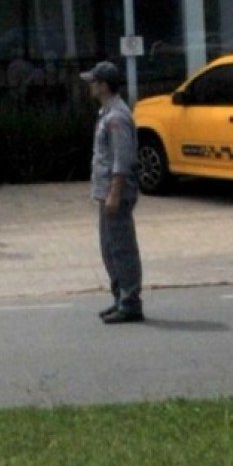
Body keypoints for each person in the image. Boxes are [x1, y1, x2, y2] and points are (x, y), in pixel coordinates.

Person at [83, 62, 143, 323]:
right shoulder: (106, 112)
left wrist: (115, 193)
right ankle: (120, 297)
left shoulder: (117, 117)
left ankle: (130, 302)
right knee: (109, 248)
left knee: (122, 248)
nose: (90, 86)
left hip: (115, 192)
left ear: (104, 85)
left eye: (94, 82)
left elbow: (122, 159)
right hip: (106, 192)